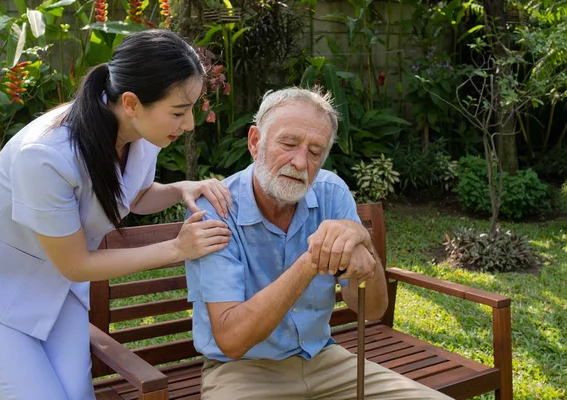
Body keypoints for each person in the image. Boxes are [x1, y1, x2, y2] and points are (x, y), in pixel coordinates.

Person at [0, 30, 233, 400]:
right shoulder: (45, 155)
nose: (188, 124)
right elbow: (77, 264)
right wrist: (176, 249)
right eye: (178, 111)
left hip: (57, 288)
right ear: (131, 102)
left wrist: (180, 188)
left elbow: (133, 195)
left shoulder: (141, 133)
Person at [185, 87, 452, 399]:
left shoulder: (332, 193)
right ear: (255, 142)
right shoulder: (216, 211)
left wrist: (363, 249)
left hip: (325, 361)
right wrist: (312, 261)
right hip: (241, 371)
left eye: (315, 152)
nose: (301, 162)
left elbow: (374, 310)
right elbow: (231, 340)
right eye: (289, 143)